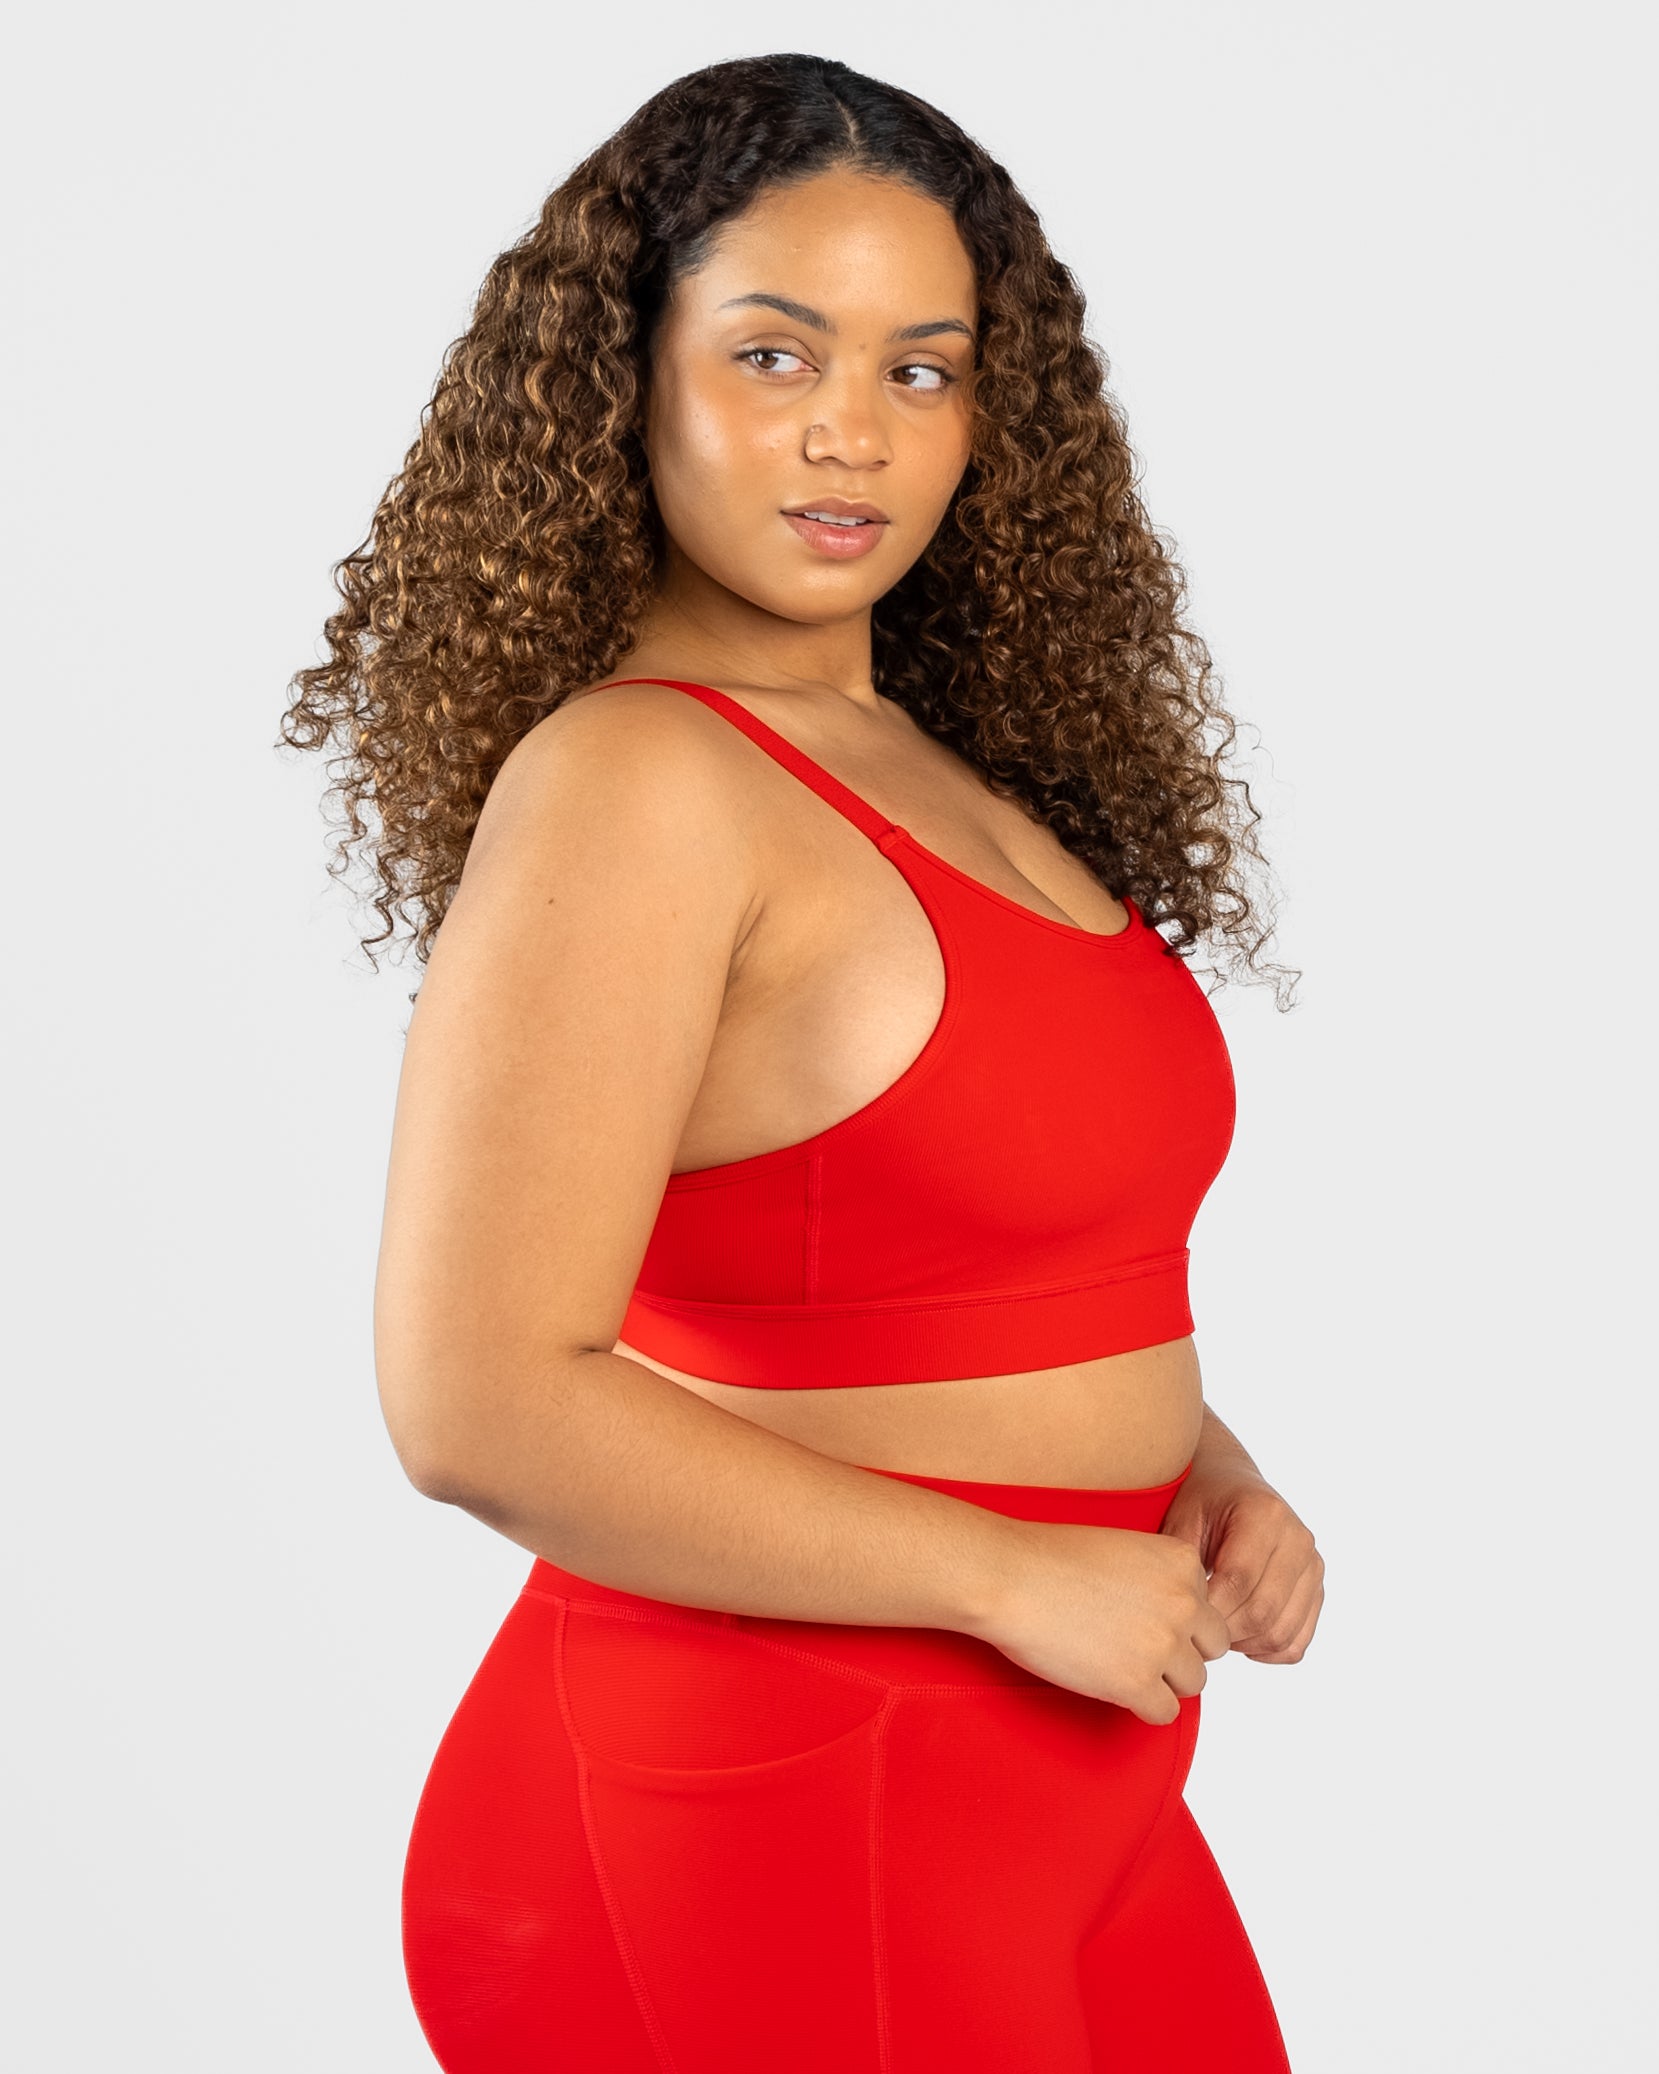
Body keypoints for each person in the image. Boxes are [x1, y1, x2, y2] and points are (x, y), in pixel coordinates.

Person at [281, 50, 1322, 2074]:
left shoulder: (940, 769)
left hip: (1068, 1785)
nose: (854, 428)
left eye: (922, 369)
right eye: (775, 354)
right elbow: (476, 1397)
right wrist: (1008, 1571)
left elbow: (954, 1276)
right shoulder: (637, 780)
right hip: (760, 1784)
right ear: (625, 378)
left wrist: (1207, 1475)